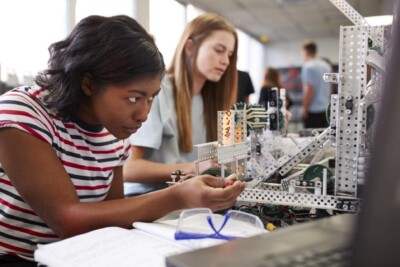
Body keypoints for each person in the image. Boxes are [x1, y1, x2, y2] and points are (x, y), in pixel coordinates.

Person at [0, 15, 245, 265]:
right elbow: (68, 220)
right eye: (134, 98)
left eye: (151, 98)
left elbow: (113, 211)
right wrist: (178, 195)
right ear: (88, 84)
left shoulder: (113, 128)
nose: (143, 114)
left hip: (83, 254)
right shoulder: (22, 114)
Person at [123, 13, 239, 196]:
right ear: (190, 47)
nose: (225, 61)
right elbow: (128, 169)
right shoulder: (158, 92)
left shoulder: (208, 101)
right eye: (218, 50)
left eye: (230, 54)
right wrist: (194, 168)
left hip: (187, 201)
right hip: (148, 201)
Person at [301, 40, 331, 128]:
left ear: (305, 52)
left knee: (312, 139)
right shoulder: (326, 66)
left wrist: (305, 109)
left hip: (313, 111)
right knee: (324, 139)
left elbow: (309, 90)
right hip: (325, 109)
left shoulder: (308, 66)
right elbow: (330, 87)